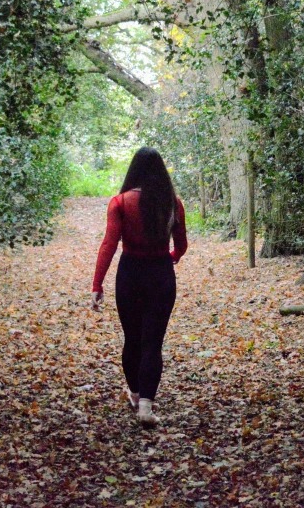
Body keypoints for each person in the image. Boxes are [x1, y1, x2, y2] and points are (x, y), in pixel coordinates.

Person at [91, 147, 188, 428]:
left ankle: (134, 394)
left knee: (132, 338)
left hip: (130, 274)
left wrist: (97, 284)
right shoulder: (173, 203)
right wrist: (171, 259)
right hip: (161, 274)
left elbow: (109, 245)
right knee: (153, 342)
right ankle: (146, 405)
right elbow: (181, 245)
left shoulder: (120, 203)